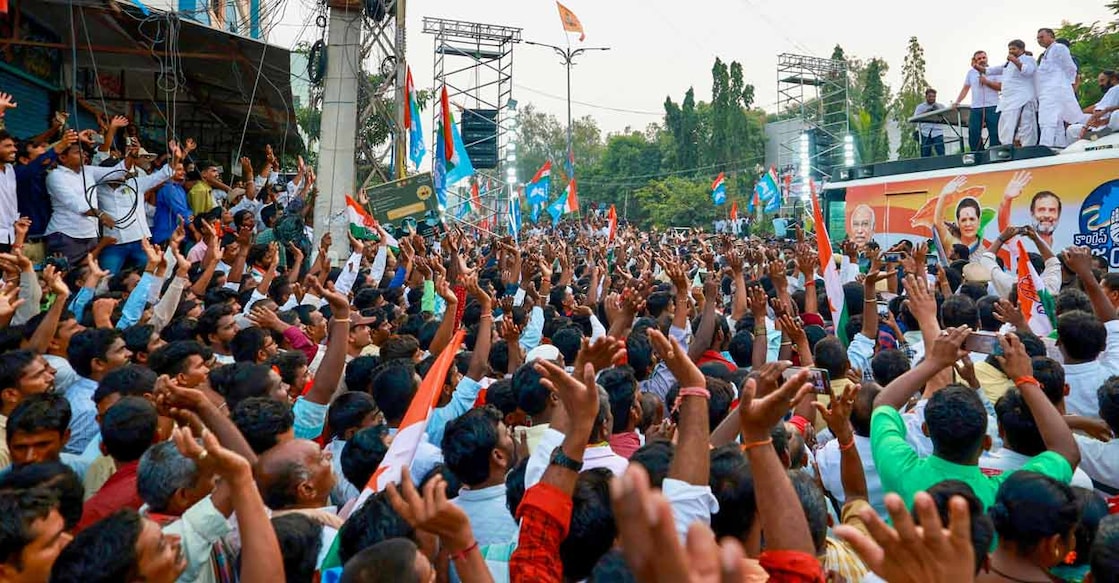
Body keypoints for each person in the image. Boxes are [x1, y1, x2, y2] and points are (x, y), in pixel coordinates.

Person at [986, 40, 1039, 147]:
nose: (1011, 51)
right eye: (1010, 49)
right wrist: (979, 68)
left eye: (1014, 49)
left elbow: (1028, 71)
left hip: (1023, 98)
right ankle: (1007, 146)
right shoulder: (1008, 64)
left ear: (1022, 49)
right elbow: (993, 70)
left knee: (1026, 125)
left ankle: (1028, 148)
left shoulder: (1028, 59)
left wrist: (1015, 61)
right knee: (1006, 125)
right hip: (1008, 100)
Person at [1036, 28, 1082, 148]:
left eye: (1042, 37)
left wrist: (1064, 84)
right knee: (1056, 120)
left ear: (1051, 36)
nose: (1039, 40)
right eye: (1038, 38)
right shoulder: (1046, 54)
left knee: (1048, 119)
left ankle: (1045, 147)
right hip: (1047, 91)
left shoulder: (1059, 48)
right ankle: (1059, 145)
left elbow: (1071, 68)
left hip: (1056, 90)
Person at [953, 50, 1002, 151]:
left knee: (995, 132)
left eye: (984, 57)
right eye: (979, 58)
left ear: (987, 58)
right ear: (975, 60)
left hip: (993, 105)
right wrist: (957, 101)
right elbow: (966, 88)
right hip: (976, 107)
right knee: (974, 132)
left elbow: (1000, 87)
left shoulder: (994, 71)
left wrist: (987, 82)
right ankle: (978, 154)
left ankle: (994, 152)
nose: (982, 60)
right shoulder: (971, 73)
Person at [1066, 70, 1119, 142]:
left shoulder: (1115, 89)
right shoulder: (1112, 92)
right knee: (1076, 120)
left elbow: (1098, 112)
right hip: (1104, 122)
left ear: (1113, 79)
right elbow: (1097, 109)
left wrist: (1085, 128)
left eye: (1102, 80)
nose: (1100, 84)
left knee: (1071, 130)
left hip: (1104, 127)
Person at [913, 88, 946, 157]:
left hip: (937, 132)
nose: (932, 98)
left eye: (934, 96)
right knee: (925, 153)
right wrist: (927, 112)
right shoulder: (920, 107)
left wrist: (938, 111)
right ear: (926, 97)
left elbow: (947, 116)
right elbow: (915, 119)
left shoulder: (941, 106)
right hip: (925, 132)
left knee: (941, 152)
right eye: (930, 96)